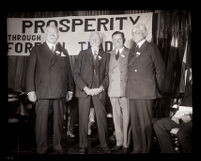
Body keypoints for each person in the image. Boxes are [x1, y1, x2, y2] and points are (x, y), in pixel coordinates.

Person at [26, 23, 74, 154]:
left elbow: (68, 72)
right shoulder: (37, 49)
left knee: (59, 121)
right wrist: (31, 90)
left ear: (58, 34)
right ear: (45, 34)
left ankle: (57, 146)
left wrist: (70, 89)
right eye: (51, 33)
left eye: (56, 33)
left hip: (60, 91)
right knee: (41, 122)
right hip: (43, 91)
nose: (54, 35)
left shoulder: (63, 51)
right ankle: (42, 147)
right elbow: (30, 71)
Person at [126, 23, 165, 153]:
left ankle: (146, 149)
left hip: (145, 92)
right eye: (133, 32)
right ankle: (137, 148)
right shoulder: (132, 49)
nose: (135, 34)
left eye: (137, 32)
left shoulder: (151, 47)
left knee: (145, 124)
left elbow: (160, 70)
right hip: (132, 92)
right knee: (135, 123)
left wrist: (156, 88)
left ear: (144, 33)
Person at [73, 32, 111, 154]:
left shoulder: (106, 56)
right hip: (84, 91)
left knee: (101, 118)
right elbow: (76, 74)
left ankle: (104, 144)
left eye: (97, 39)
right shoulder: (82, 54)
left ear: (101, 41)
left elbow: (107, 75)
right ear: (89, 41)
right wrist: (85, 88)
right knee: (83, 118)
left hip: (99, 91)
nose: (95, 41)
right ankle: (82, 145)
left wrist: (101, 88)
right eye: (92, 39)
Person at [153, 68, 192, 153]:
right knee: (159, 125)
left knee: (182, 133)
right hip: (181, 117)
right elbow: (187, 103)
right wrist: (178, 110)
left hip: (190, 120)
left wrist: (189, 116)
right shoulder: (189, 83)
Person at [108, 31, 131, 153]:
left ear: (124, 39)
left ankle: (126, 144)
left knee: (126, 118)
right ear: (112, 41)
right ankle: (119, 141)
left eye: (119, 39)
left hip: (125, 91)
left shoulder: (130, 53)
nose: (117, 42)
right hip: (113, 91)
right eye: (114, 39)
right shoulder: (110, 54)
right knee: (116, 118)